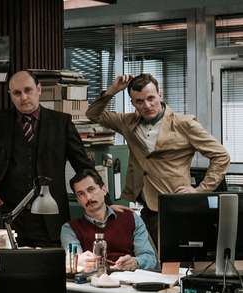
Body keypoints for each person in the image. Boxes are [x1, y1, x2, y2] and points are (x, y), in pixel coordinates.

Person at [86, 74, 230, 245]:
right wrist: (113, 90)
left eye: (151, 98)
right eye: (139, 101)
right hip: (147, 209)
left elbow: (221, 156)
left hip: (177, 207)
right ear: (132, 103)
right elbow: (92, 114)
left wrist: (200, 190)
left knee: (175, 259)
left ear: (160, 94)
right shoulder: (127, 122)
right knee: (149, 258)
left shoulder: (184, 123)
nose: (147, 105)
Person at [0, 70, 95, 247]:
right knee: (9, 261)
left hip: (50, 215)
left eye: (28, 90)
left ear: (39, 89)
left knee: (50, 261)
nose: (23, 97)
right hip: (9, 213)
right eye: (17, 93)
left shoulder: (61, 122)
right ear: (10, 95)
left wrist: (105, 201)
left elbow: (83, 164)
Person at [61, 169, 157, 272]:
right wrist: (78, 262)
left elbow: (150, 258)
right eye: (81, 194)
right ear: (78, 200)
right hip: (93, 278)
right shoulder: (70, 229)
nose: (88, 197)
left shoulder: (131, 218)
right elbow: (74, 259)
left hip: (129, 277)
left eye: (91, 189)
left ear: (104, 189)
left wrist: (136, 262)